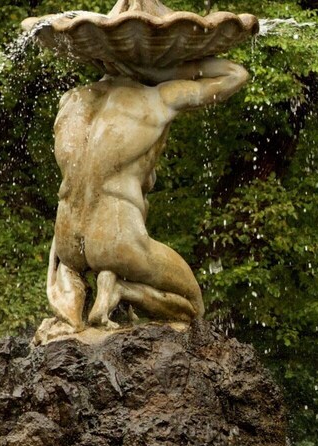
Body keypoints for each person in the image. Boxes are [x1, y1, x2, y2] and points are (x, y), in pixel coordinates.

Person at [36, 58, 249, 343]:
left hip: (67, 238)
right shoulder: (158, 98)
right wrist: (174, 64)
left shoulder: (73, 99)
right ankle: (121, 290)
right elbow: (235, 75)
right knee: (192, 306)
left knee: (70, 264)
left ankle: (71, 315)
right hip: (116, 236)